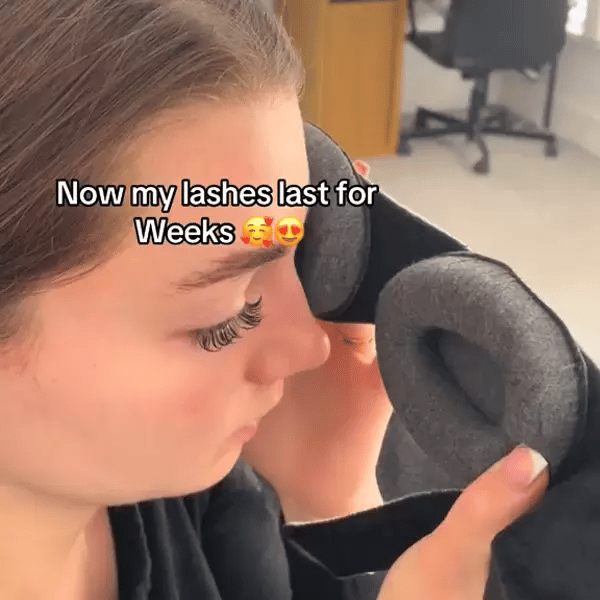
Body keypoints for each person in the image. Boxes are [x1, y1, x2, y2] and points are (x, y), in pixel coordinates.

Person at [0, 1, 550, 599]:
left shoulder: (195, 498)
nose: (310, 347)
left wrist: (326, 496)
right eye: (222, 317)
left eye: (299, 250)